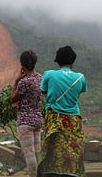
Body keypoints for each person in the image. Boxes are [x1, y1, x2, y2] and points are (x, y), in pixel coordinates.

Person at [37, 46, 87, 177]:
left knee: (52, 148)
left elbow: (43, 91)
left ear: (58, 61)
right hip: (73, 120)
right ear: (73, 61)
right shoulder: (80, 78)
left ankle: (50, 173)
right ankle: (73, 173)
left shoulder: (49, 74)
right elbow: (80, 91)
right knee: (73, 148)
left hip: (54, 118)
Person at [11, 50, 43, 177]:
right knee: (37, 152)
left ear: (22, 64)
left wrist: (16, 81)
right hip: (38, 120)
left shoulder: (24, 82)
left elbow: (13, 98)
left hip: (25, 122)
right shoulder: (40, 78)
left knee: (29, 154)